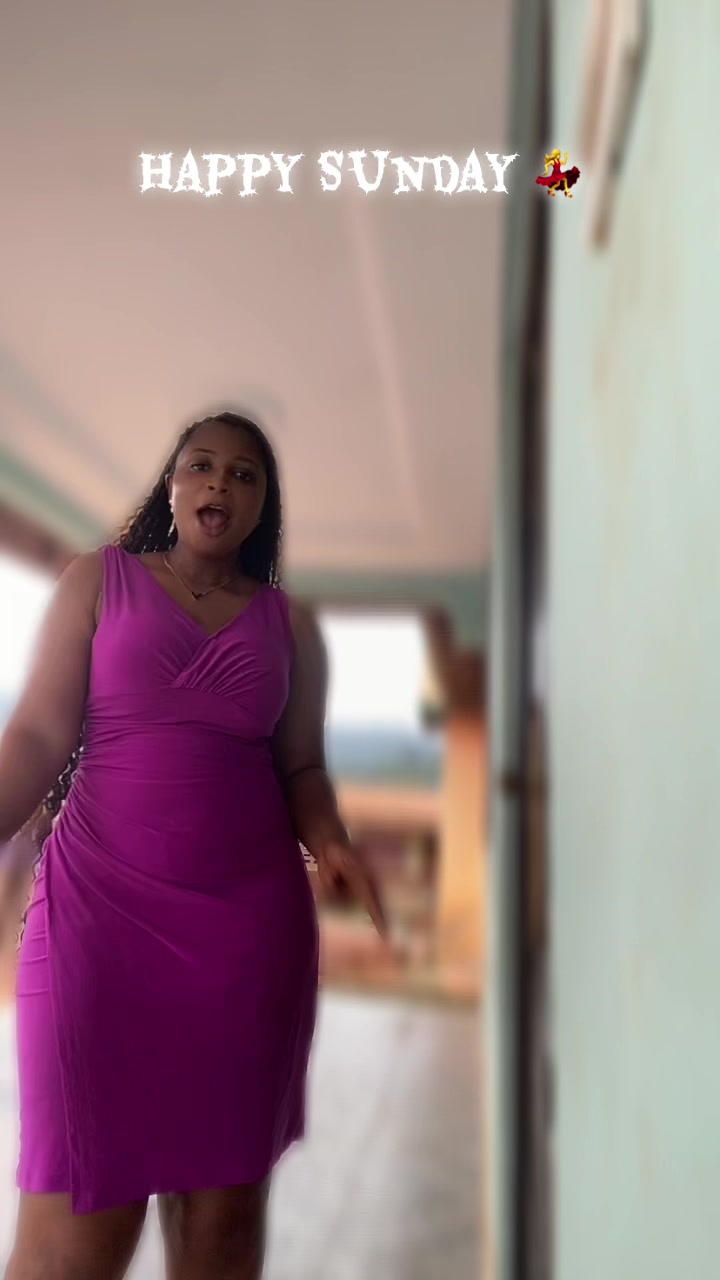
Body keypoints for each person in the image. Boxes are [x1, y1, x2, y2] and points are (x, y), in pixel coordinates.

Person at [0, 410, 388, 1280]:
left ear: (263, 506)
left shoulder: (291, 627)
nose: (220, 482)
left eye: (245, 474)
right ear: (171, 487)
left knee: (222, 1227)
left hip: (245, 938)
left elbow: (301, 768)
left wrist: (332, 841)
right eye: (201, 465)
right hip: (96, 921)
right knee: (76, 1234)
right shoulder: (96, 582)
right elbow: (35, 736)